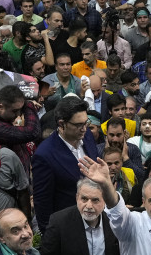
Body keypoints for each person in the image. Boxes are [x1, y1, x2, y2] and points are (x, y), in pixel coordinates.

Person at [32, 96, 101, 231]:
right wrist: (49, 236)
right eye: (78, 125)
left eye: (85, 122)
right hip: (68, 227)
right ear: (62, 124)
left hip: (96, 219)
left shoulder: (87, 136)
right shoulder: (44, 155)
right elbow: (43, 203)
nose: (84, 128)